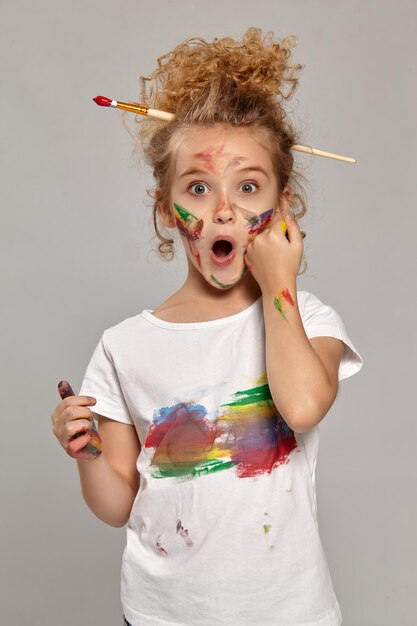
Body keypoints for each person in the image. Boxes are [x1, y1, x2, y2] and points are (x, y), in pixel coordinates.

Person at [51, 27, 363, 626]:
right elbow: (117, 504)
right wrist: (86, 451)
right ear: (167, 208)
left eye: (248, 186)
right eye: (199, 186)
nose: (223, 209)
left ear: (283, 206)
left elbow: (300, 407)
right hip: (160, 615)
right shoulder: (123, 346)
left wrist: (279, 283)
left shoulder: (307, 318)